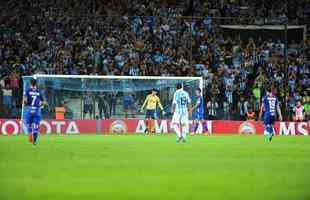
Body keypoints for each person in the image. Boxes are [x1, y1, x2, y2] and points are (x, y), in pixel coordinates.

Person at [23, 78, 46, 145]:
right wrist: (41, 104)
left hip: (30, 109)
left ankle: (30, 135)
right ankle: (34, 141)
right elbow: (44, 102)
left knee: (29, 124)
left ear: (30, 83)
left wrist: (26, 102)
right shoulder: (39, 91)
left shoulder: (27, 91)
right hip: (37, 110)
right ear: (36, 84)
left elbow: (25, 100)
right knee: (36, 126)